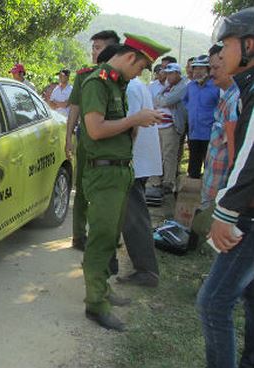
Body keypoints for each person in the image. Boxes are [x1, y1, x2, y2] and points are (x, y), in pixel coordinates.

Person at [79, 33, 169, 331]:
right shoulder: (98, 82)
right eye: (142, 66)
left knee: (111, 238)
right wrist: (135, 120)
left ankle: (103, 289)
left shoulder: (118, 84)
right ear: (131, 58)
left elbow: (117, 128)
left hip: (119, 172)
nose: (141, 73)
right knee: (101, 239)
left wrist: (136, 124)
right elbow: (95, 129)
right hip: (103, 174)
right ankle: (95, 304)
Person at [196, 7, 254, 367]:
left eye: (228, 45)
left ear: (249, 45)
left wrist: (225, 211)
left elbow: (249, 155)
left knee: (213, 302)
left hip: (246, 214)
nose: (223, 53)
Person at [66, 29, 120, 251]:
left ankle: (105, 236)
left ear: (112, 49)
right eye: (93, 47)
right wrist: (68, 136)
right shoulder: (84, 75)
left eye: (98, 48)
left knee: (107, 192)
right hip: (87, 142)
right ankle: (79, 236)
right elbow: (75, 107)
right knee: (82, 188)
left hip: (111, 145)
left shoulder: (120, 77)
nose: (93, 52)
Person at [117, 75, 162, 288]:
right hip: (138, 160)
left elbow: (131, 126)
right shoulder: (137, 85)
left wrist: (123, 158)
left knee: (135, 218)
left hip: (133, 161)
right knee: (128, 214)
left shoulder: (130, 88)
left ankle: (146, 270)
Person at [200, 44, 239, 210]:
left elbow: (233, 155)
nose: (211, 73)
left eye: (215, 67)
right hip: (214, 189)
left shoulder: (236, 101)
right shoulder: (227, 97)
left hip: (222, 195)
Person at [148, 63, 189, 194]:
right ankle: (156, 181)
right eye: (167, 73)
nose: (168, 76)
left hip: (170, 125)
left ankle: (168, 182)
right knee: (157, 153)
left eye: (171, 73)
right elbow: (154, 101)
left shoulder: (182, 86)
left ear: (178, 73)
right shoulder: (163, 86)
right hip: (156, 124)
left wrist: (161, 99)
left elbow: (166, 101)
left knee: (169, 154)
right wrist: (161, 99)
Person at [183, 55, 220, 179]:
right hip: (194, 131)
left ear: (208, 70)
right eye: (195, 69)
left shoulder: (216, 87)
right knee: (193, 165)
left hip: (210, 132)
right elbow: (185, 101)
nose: (197, 72)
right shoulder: (190, 86)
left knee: (209, 165)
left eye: (201, 69)